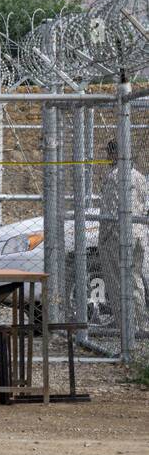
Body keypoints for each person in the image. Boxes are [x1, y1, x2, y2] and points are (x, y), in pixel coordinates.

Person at [97, 139, 149, 329]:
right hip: (138, 233)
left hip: (117, 235)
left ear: (113, 154)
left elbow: (110, 211)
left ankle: (125, 325)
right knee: (134, 279)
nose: (107, 157)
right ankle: (141, 323)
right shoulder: (139, 176)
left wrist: (103, 238)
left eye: (108, 154)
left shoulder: (114, 177)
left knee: (116, 280)